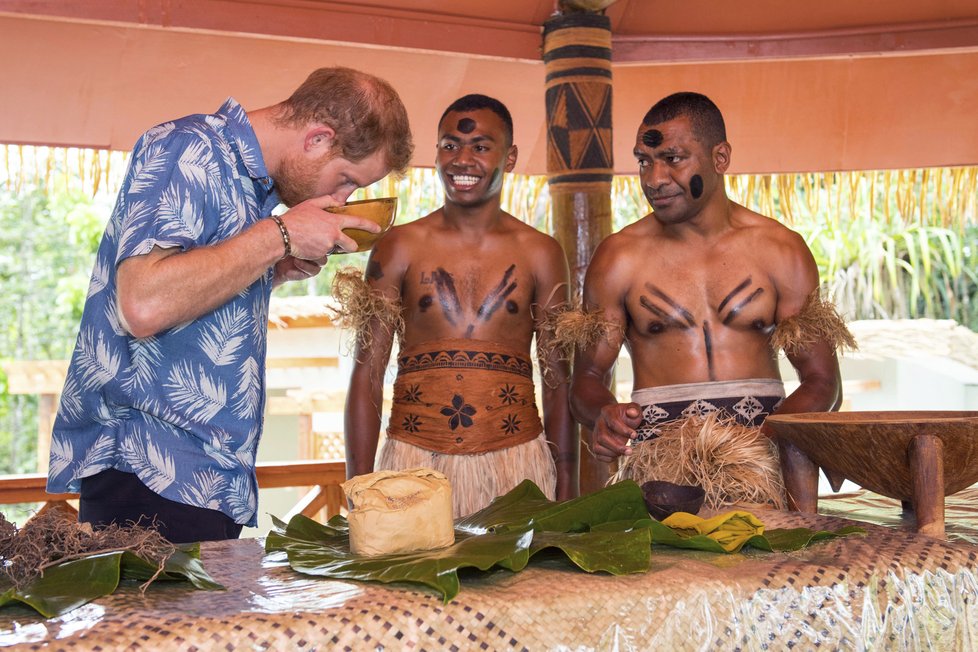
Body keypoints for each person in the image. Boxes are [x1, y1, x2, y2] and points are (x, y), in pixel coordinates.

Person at [46, 67, 414, 543]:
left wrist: (269, 270)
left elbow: (188, 304)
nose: (342, 199)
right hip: (152, 470)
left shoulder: (252, 189)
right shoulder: (189, 149)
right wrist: (279, 235)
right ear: (317, 138)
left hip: (206, 481)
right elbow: (143, 303)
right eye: (345, 180)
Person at [570, 92, 851, 511]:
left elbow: (823, 383)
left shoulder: (779, 250)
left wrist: (757, 446)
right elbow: (587, 379)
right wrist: (604, 414)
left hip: (766, 467)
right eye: (644, 161)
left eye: (673, 159)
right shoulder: (619, 258)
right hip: (660, 473)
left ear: (720, 157)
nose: (653, 179)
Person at [342, 94, 579, 517]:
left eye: (480, 147)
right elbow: (367, 374)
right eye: (449, 146)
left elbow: (558, 380)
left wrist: (566, 491)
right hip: (412, 466)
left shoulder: (541, 252)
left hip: (516, 467)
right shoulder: (399, 246)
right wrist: (358, 487)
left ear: (509, 159)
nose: (461, 160)